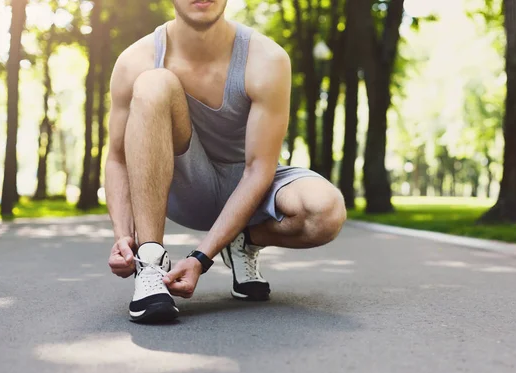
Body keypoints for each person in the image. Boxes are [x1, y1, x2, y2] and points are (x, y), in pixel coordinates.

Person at [105, 0, 347, 323]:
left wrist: (201, 258)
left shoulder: (267, 59)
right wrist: (124, 237)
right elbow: (118, 158)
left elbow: (259, 169)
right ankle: (150, 264)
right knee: (153, 82)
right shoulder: (135, 61)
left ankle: (243, 241)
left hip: (251, 186)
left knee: (328, 209)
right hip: (186, 187)